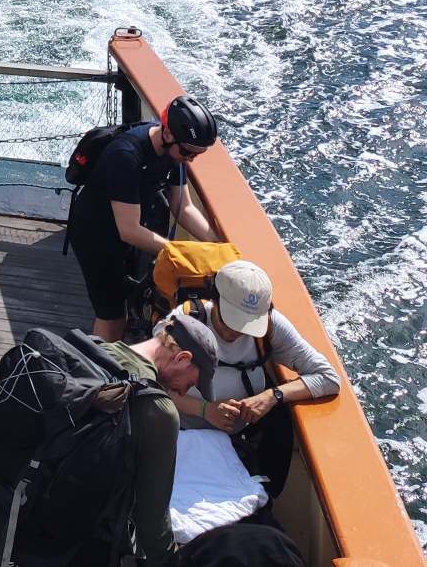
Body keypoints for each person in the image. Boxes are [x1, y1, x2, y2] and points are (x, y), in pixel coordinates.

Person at [68, 96, 221, 340]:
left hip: (125, 233)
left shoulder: (175, 152)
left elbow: (183, 207)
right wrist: (184, 254)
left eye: (197, 154)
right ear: (168, 134)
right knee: (111, 315)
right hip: (95, 236)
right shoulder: (125, 156)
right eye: (187, 152)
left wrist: (217, 244)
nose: (190, 159)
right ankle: (98, 359)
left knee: (125, 301)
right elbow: (129, 229)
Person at [195, 260, 339, 499]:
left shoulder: (271, 326)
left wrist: (272, 396)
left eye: (247, 324)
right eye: (231, 320)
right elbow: (153, 386)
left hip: (240, 440)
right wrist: (204, 410)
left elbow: (329, 378)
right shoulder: (185, 323)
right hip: (185, 435)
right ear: (215, 300)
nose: (237, 331)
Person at [90, 309, 220, 567]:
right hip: (79, 536)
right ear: (182, 358)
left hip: (24, 501)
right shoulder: (158, 410)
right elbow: (151, 518)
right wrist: (170, 561)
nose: (183, 391)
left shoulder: (97, 350)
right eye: (191, 383)